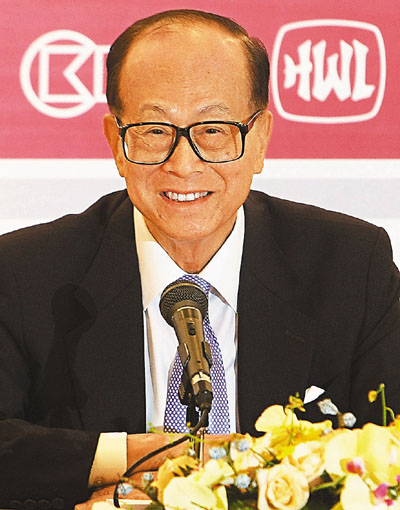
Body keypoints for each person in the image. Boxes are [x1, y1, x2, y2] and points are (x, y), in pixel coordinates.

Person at [0, 8, 399, 510]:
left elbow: (389, 457)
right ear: (116, 143)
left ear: (260, 139)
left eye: (213, 129)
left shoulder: (350, 267)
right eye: (154, 130)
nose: (183, 164)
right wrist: (137, 458)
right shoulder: (24, 274)